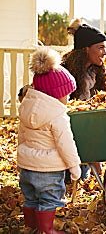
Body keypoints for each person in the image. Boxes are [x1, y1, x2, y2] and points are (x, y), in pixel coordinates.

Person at [18, 47, 81, 233]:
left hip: (27, 166)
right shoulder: (58, 115)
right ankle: (46, 230)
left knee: (30, 198)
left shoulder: (25, 107)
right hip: (49, 169)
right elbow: (66, 144)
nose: (68, 98)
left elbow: (22, 136)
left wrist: (20, 159)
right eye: (67, 94)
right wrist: (75, 167)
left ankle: (30, 227)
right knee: (48, 199)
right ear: (57, 94)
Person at [61, 18, 106, 181]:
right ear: (86, 49)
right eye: (100, 48)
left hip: (88, 128)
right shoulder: (65, 73)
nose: (104, 53)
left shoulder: (96, 73)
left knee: (81, 176)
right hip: (66, 132)